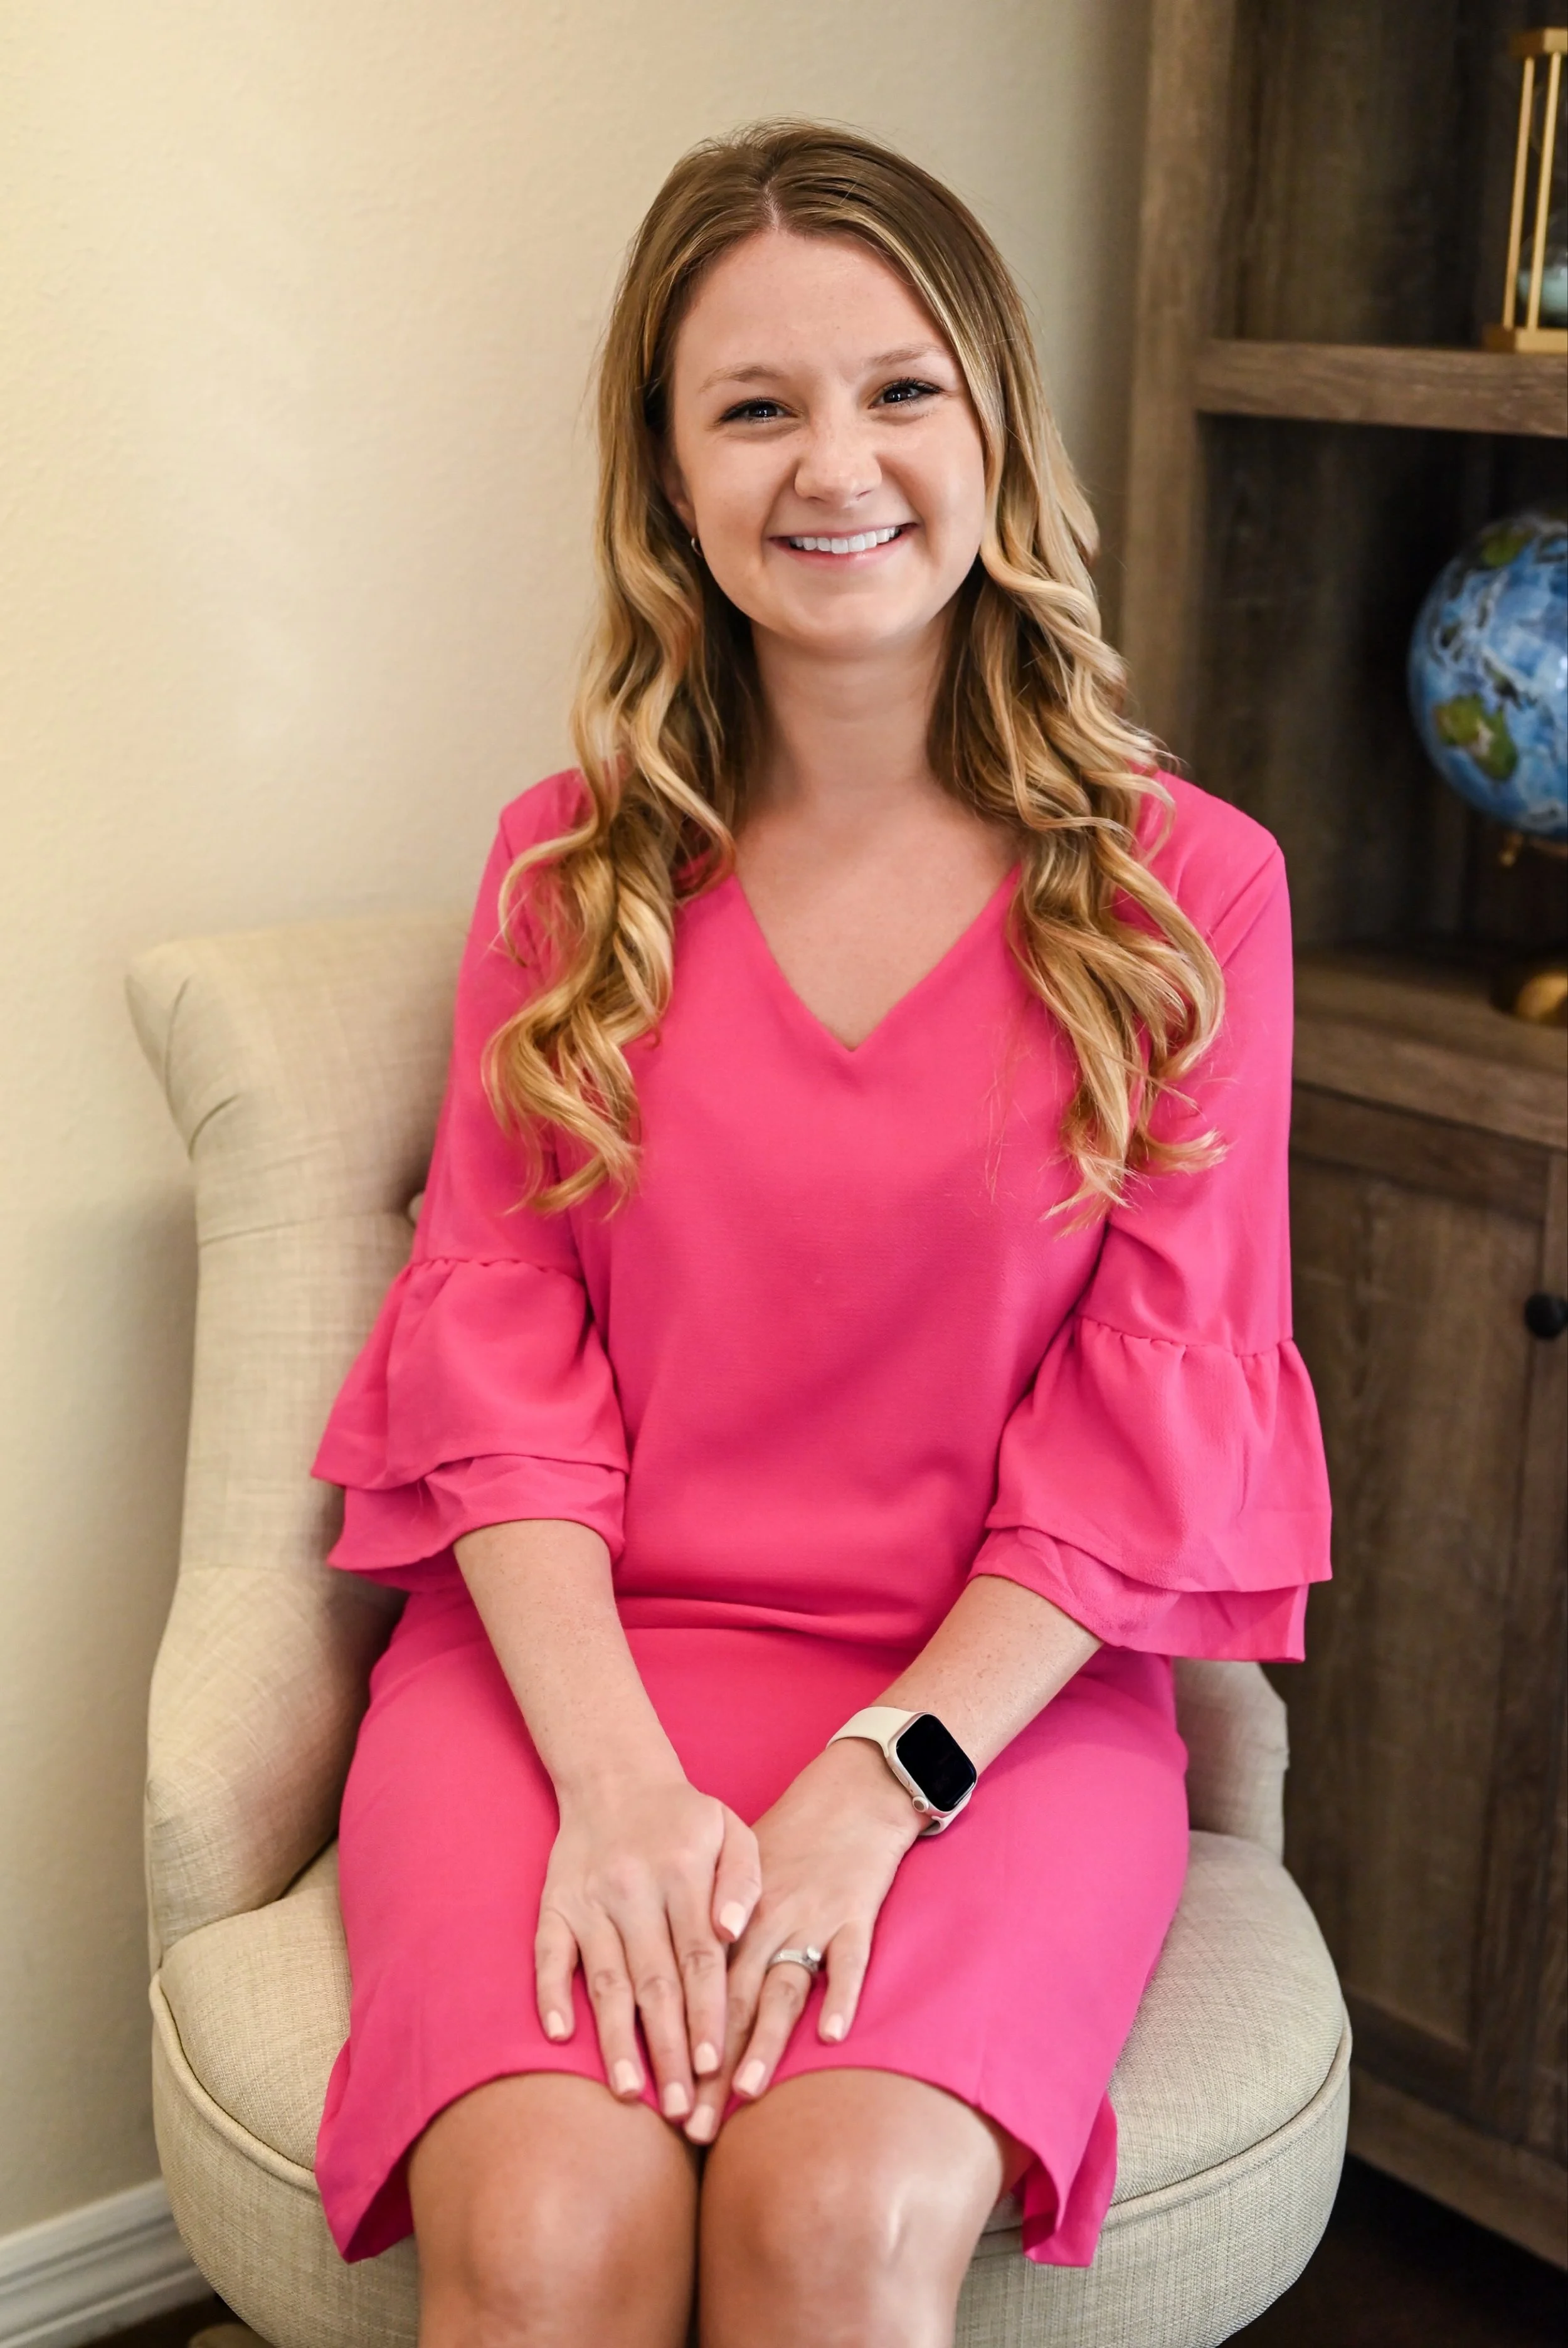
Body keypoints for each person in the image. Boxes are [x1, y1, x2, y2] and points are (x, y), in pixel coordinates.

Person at [310, 120, 1332, 2348]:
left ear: (991, 430)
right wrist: (614, 1786)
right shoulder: (561, 873)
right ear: (668, 477)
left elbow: (1146, 1423)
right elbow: (492, 1368)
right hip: (563, 1673)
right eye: (752, 406)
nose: (832, 463)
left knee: (837, 2224)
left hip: (990, 1708)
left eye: (898, 390)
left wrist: (886, 1785)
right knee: (548, 2238)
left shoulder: (1191, 899)